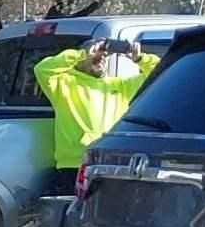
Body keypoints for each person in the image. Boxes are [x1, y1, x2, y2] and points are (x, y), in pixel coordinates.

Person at [34, 37, 158, 195]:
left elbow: (161, 72)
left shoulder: (120, 86)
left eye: (104, 57)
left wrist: (140, 58)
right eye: (95, 57)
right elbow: (42, 69)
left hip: (110, 165)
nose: (101, 59)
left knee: (105, 217)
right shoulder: (65, 82)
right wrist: (81, 54)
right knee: (72, 216)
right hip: (73, 166)